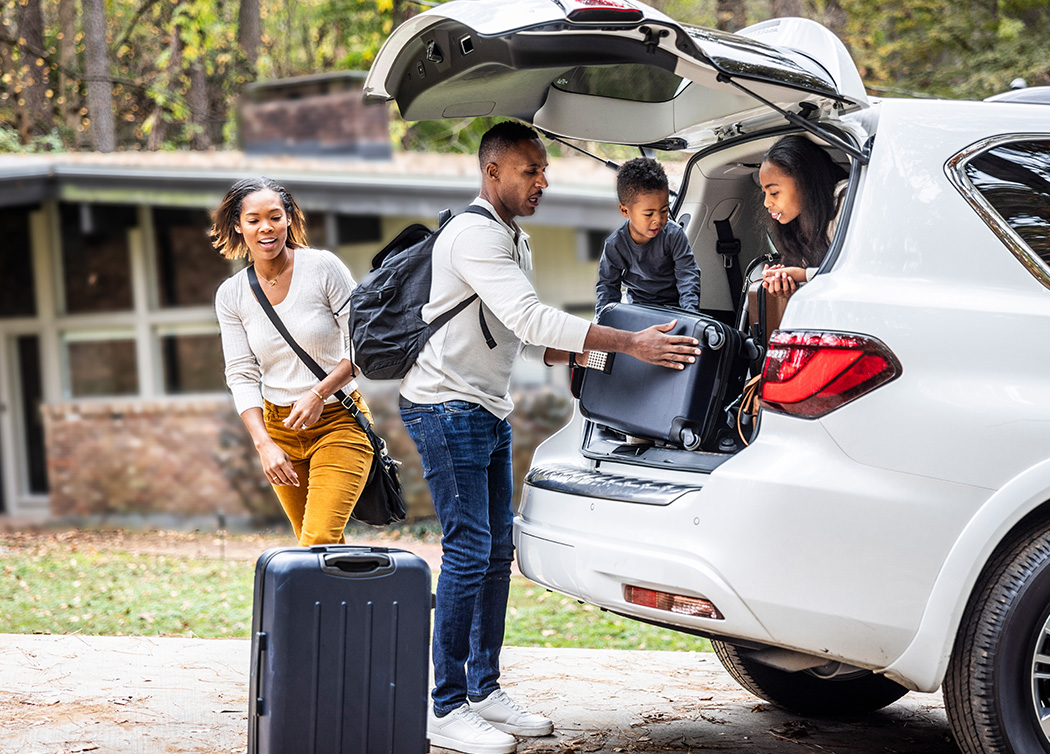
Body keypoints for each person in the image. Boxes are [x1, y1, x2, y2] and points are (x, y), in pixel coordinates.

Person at [398, 120, 702, 754]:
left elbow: (529, 336)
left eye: (543, 169)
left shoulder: (513, 237)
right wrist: (631, 341)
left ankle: (482, 689)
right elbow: (532, 316)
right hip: (444, 407)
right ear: (493, 174)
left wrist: (596, 365)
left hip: (485, 405)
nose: (543, 180)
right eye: (529, 170)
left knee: (497, 547)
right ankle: (444, 704)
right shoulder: (474, 234)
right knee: (467, 548)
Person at [213, 176, 374, 546]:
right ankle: (339, 605)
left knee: (318, 539)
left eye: (274, 216)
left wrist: (319, 393)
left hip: (339, 420)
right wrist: (264, 443)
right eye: (253, 220)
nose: (265, 227)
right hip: (279, 430)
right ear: (239, 226)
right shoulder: (232, 295)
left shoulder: (322, 267)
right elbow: (240, 374)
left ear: (289, 219)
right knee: (312, 547)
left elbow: (364, 345)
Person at [595, 156, 701, 315]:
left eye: (664, 210)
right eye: (648, 214)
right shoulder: (615, 245)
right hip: (639, 311)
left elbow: (688, 278)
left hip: (676, 309)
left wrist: (690, 315)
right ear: (625, 211)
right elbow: (607, 287)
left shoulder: (674, 235)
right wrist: (604, 321)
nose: (658, 219)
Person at [759, 135, 849, 298]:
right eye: (764, 193)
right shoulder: (799, 221)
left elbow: (854, 276)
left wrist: (803, 276)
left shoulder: (846, 202)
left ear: (804, 181)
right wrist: (787, 281)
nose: (766, 203)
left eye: (774, 192)